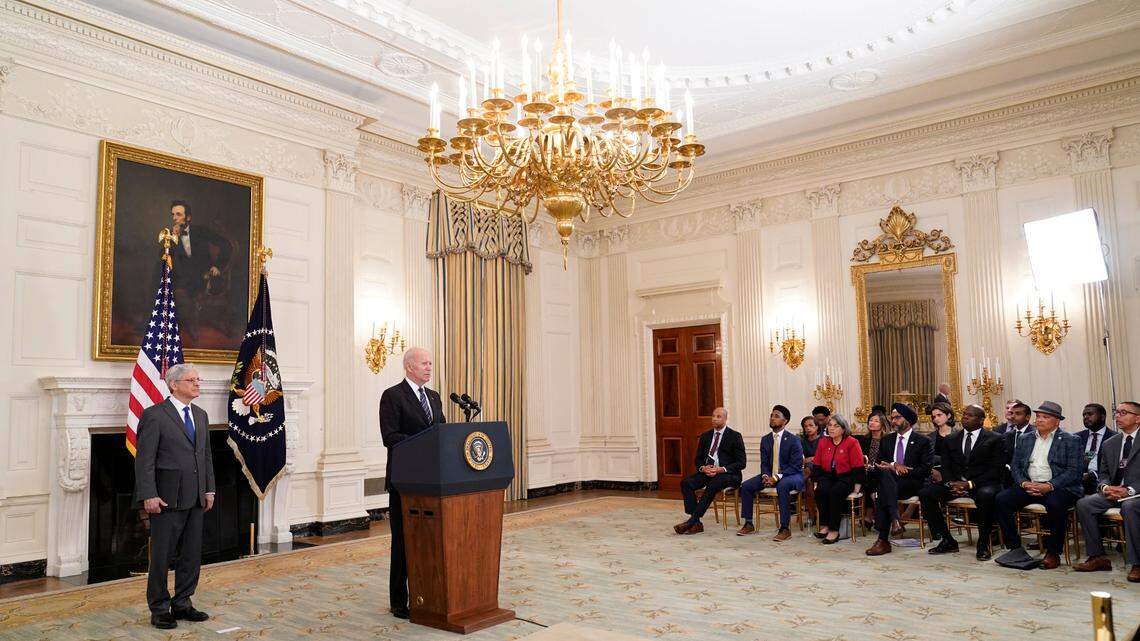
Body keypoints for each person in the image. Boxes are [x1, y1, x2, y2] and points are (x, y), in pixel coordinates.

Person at [134, 363, 216, 629]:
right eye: (192, 380)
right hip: (165, 499)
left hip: (195, 498)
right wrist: (149, 494)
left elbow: (205, 456)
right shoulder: (155, 415)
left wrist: (209, 488)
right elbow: (144, 460)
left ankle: (183, 603)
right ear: (174, 384)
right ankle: (159, 608)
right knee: (161, 557)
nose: (197, 384)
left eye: (198, 379)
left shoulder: (201, 415)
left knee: (191, 555)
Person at [379, 347, 446, 619]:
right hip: (405, 481)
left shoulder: (434, 396)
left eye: (431, 363)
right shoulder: (393, 396)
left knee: (430, 540)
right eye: (424, 363)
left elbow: (441, 432)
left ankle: (430, 592)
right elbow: (390, 436)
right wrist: (421, 444)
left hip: (433, 481)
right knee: (404, 542)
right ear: (409, 367)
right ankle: (399, 601)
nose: (429, 367)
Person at [994, 401, 1083, 570]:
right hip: (1029, 484)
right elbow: (1016, 467)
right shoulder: (1025, 438)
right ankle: (1015, 548)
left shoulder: (1070, 440)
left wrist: (1049, 486)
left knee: (1055, 504)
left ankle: (1053, 552)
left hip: (1058, 487)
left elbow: (1074, 472)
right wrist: (1024, 483)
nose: (1039, 420)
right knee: (1002, 499)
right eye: (1038, 416)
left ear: (1057, 421)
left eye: (1045, 417)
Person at [919, 405, 1007, 560]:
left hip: (983, 483)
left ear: (981, 420)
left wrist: (970, 485)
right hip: (956, 483)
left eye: (970, 415)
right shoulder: (951, 438)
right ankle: (948, 540)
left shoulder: (995, 439)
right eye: (964, 414)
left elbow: (996, 471)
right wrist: (950, 483)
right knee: (926, 493)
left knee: (986, 495)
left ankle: (983, 543)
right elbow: (946, 467)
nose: (965, 417)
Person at [1073, 401, 1140, 582]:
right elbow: (1103, 473)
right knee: (1084, 503)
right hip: (1114, 492)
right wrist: (1105, 487)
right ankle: (1097, 557)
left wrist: (1129, 490)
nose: (1118, 416)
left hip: (1136, 493)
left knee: (1130, 506)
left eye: (1124, 412)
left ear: (1138, 418)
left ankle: (1137, 564)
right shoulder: (1111, 443)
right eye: (1116, 412)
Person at [866, 403, 934, 556]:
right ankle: (895, 521)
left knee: (883, 490)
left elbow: (925, 471)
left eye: (897, 417)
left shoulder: (923, 441)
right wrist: (894, 465)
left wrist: (903, 469)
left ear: (908, 420)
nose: (893, 421)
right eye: (892, 418)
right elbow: (878, 465)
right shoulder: (887, 440)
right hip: (890, 481)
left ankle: (883, 540)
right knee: (884, 479)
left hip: (912, 483)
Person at [675, 407, 746, 535]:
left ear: (725, 419)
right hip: (708, 472)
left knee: (713, 484)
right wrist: (703, 468)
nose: (714, 419)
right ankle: (696, 523)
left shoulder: (735, 436)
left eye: (718, 416)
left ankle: (692, 521)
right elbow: (698, 459)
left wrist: (720, 469)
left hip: (728, 474)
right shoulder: (705, 436)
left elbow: (741, 463)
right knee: (686, 483)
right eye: (713, 416)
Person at [738, 405, 804, 541]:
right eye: (771, 415)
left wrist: (776, 477)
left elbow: (796, 465)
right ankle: (749, 523)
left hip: (791, 475)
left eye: (776, 416)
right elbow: (764, 462)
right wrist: (765, 476)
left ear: (785, 421)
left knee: (782, 486)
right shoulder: (766, 439)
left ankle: (785, 528)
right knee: (746, 486)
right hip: (771, 474)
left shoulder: (793, 440)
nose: (772, 418)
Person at [812, 415, 864, 544]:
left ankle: (834, 530)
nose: (832, 428)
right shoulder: (823, 442)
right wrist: (816, 481)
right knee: (821, 491)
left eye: (836, 426)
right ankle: (825, 526)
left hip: (846, 477)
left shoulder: (852, 442)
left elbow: (858, 465)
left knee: (835, 492)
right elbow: (817, 463)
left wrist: (857, 486)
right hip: (828, 475)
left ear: (843, 428)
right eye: (830, 425)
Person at [857, 411, 889, 529]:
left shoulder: (887, 439)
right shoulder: (863, 439)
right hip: (866, 471)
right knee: (866, 479)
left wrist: (874, 467)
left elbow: (889, 459)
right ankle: (872, 515)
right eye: (871, 420)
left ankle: (870, 515)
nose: (872, 423)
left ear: (882, 424)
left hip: (882, 470)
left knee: (871, 480)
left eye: (876, 421)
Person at [1075, 403, 1114, 495]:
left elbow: (1113, 466)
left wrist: (1094, 475)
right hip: (1079, 481)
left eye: (1090, 414)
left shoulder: (1115, 438)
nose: (1086, 417)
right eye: (1084, 415)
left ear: (1103, 417)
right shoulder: (1076, 438)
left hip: (1103, 482)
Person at [1001, 401, 1033, 486]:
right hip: (1010, 477)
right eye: (1012, 413)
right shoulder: (1007, 435)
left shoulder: (1035, 434)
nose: (1013, 416)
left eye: (1018, 414)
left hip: (1030, 477)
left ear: (1027, 417)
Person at [799, 416, 822, 522]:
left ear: (817, 427)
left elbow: (825, 457)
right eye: (805, 426)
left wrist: (812, 459)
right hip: (808, 473)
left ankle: (797, 482)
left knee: (810, 466)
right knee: (808, 481)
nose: (808, 428)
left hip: (822, 470)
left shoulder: (824, 440)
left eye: (811, 425)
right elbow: (798, 459)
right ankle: (812, 515)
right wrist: (806, 460)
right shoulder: (801, 442)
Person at [929, 402, 958, 483]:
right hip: (935, 474)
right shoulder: (929, 437)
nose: (936, 419)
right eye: (934, 417)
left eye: (939, 415)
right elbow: (928, 458)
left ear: (948, 415)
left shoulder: (959, 435)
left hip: (955, 474)